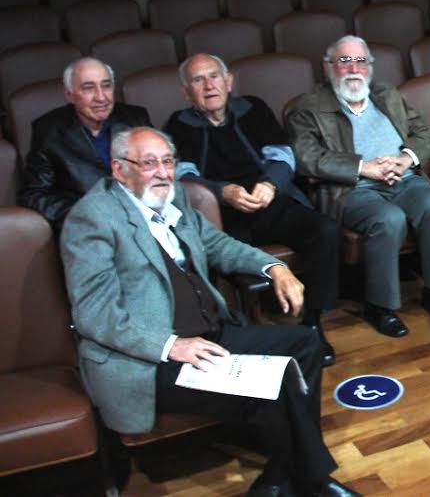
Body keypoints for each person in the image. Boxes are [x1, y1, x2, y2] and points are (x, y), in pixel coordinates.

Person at [60, 127, 357, 497]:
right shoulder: (92, 219)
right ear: (119, 170)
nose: (163, 173)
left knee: (305, 344)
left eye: (168, 161)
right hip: (148, 359)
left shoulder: (174, 198)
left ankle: (281, 473)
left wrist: (274, 268)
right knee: (277, 380)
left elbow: (218, 245)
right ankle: (314, 482)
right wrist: (171, 345)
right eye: (149, 164)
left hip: (208, 335)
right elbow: (94, 313)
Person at [165, 53, 342, 365]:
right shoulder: (178, 126)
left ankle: (313, 321)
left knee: (326, 230)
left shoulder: (253, 109)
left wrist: (270, 185)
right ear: (186, 92)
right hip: (221, 216)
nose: (208, 85)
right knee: (217, 257)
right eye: (197, 80)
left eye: (214, 76)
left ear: (228, 81)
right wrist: (222, 192)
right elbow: (183, 176)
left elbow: (283, 156)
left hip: (268, 201)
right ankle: (246, 332)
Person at [286, 35, 430, 338]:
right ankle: (380, 306)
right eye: (344, 61)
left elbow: (425, 133)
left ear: (370, 67)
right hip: (352, 189)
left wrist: (404, 160)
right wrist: (365, 168)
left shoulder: (387, 94)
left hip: (404, 179)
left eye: (361, 61)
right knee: (388, 219)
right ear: (328, 67)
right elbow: (306, 157)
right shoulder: (307, 107)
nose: (354, 69)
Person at [19, 57, 151, 233]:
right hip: (92, 230)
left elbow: (161, 170)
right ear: (69, 95)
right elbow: (34, 194)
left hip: (145, 219)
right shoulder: (49, 131)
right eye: (89, 88)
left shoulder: (136, 118)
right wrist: (86, 213)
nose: (101, 97)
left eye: (106, 86)